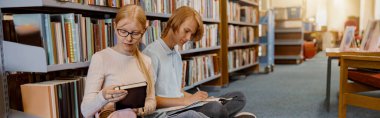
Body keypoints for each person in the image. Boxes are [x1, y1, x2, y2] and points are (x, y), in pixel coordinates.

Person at [143, 6, 252, 118]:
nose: (188, 38)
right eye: (186, 31)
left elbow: (176, 91)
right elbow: (149, 99)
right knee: (215, 108)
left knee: (239, 97)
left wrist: (196, 98)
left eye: (191, 34)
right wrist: (186, 101)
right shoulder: (151, 54)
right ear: (174, 22)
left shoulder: (176, 54)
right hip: (169, 112)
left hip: (182, 105)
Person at [81, 5, 156, 118]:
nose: (129, 38)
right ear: (115, 27)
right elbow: (85, 111)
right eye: (123, 31)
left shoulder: (146, 61)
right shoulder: (101, 58)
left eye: (135, 33)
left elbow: (151, 101)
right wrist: (103, 96)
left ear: (143, 32)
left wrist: (142, 109)